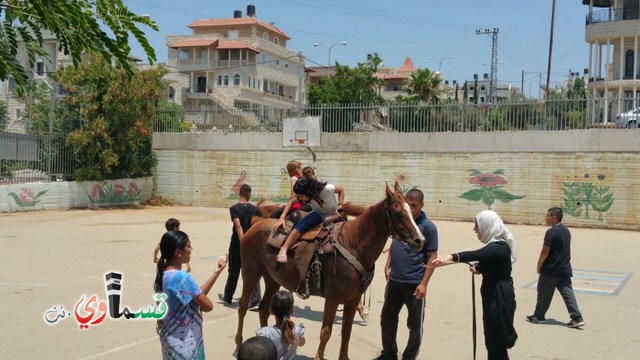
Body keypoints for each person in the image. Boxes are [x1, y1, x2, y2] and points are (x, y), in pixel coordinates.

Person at [431, 210, 518, 360]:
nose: (475, 229)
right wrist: (480, 268)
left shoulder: (498, 246)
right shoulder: (496, 246)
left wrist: (451, 257)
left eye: (477, 225)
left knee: (496, 339)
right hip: (494, 292)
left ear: (487, 225)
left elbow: (475, 254)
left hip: (499, 296)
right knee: (492, 338)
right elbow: (492, 263)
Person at [375, 189, 438, 360]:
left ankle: (409, 356)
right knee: (387, 318)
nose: (411, 208)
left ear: (422, 205)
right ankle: (389, 353)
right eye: (408, 204)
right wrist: (388, 264)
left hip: (415, 283)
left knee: (415, 324)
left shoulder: (428, 227)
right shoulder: (401, 219)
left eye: (414, 206)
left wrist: (424, 283)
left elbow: (432, 257)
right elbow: (395, 242)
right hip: (395, 281)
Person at [154, 230, 227, 359]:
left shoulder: (164, 275)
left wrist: (216, 273)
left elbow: (195, 295)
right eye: (188, 246)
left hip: (170, 342)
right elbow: (207, 306)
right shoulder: (183, 278)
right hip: (186, 345)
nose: (191, 249)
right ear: (178, 252)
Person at [526, 207, 585, 328]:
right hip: (564, 268)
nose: (546, 218)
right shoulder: (566, 231)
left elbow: (545, 251)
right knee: (568, 293)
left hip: (551, 269)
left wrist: (539, 264)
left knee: (543, 292)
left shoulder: (551, 232)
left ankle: (539, 316)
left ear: (554, 217)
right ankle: (576, 317)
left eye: (548, 215)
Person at [274, 175, 344, 263]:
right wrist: (282, 217)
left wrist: (340, 205)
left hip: (334, 215)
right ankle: (284, 248)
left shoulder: (327, 189)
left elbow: (341, 189)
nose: (299, 198)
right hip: (318, 214)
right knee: (302, 223)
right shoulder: (306, 196)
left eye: (301, 196)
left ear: (309, 192)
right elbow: (291, 202)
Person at [218, 184, 262, 308]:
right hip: (252, 246)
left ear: (240, 193)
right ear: (249, 194)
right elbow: (257, 226)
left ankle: (228, 296)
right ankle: (255, 300)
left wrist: (243, 241)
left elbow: (238, 225)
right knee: (252, 272)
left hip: (237, 245)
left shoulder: (234, 209)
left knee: (233, 271)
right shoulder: (255, 210)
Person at [255, 290, 306, 360]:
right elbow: (302, 343)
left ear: (271, 310)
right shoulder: (296, 330)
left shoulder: (265, 332)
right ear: (292, 310)